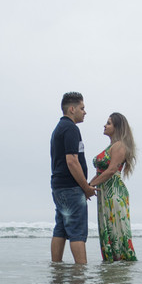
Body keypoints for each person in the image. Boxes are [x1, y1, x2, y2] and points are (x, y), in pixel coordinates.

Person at [50, 92, 95, 264]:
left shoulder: (58, 128)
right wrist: (86, 187)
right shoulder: (70, 128)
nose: (85, 112)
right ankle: (80, 274)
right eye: (82, 108)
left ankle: (57, 269)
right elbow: (72, 161)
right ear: (72, 109)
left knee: (60, 228)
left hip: (59, 186)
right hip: (70, 187)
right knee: (77, 231)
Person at [88, 112, 138, 261]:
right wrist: (87, 186)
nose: (105, 125)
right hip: (106, 191)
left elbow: (111, 170)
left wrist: (90, 186)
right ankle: (113, 265)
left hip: (114, 193)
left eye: (109, 123)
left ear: (117, 127)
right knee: (108, 229)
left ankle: (121, 267)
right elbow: (101, 173)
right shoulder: (112, 146)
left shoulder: (120, 145)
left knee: (116, 230)